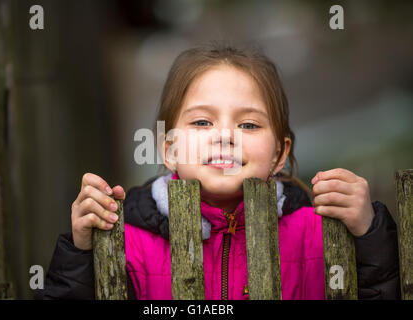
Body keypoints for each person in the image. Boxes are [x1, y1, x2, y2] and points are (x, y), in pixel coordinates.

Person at [38, 44, 400, 300]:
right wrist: (82, 254)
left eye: (248, 125)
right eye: (201, 121)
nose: (225, 135)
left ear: (279, 153)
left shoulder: (319, 234)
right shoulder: (125, 241)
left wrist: (369, 233)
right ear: (169, 149)